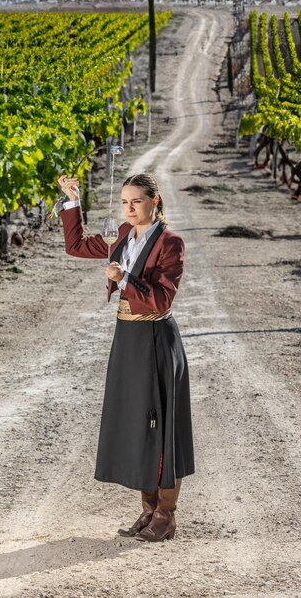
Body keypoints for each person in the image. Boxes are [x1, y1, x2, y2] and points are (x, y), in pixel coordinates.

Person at [57, 172, 195, 542]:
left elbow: (162, 300)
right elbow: (76, 246)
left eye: (137, 201)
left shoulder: (170, 243)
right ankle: (148, 510)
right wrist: (73, 200)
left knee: (161, 424)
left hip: (155, 337)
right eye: (124, 202)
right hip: (127, 337)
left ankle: (166, 515)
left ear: (155, 201)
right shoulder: (122, 234)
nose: (130, 208)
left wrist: (124, 280)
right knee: (138, 421)